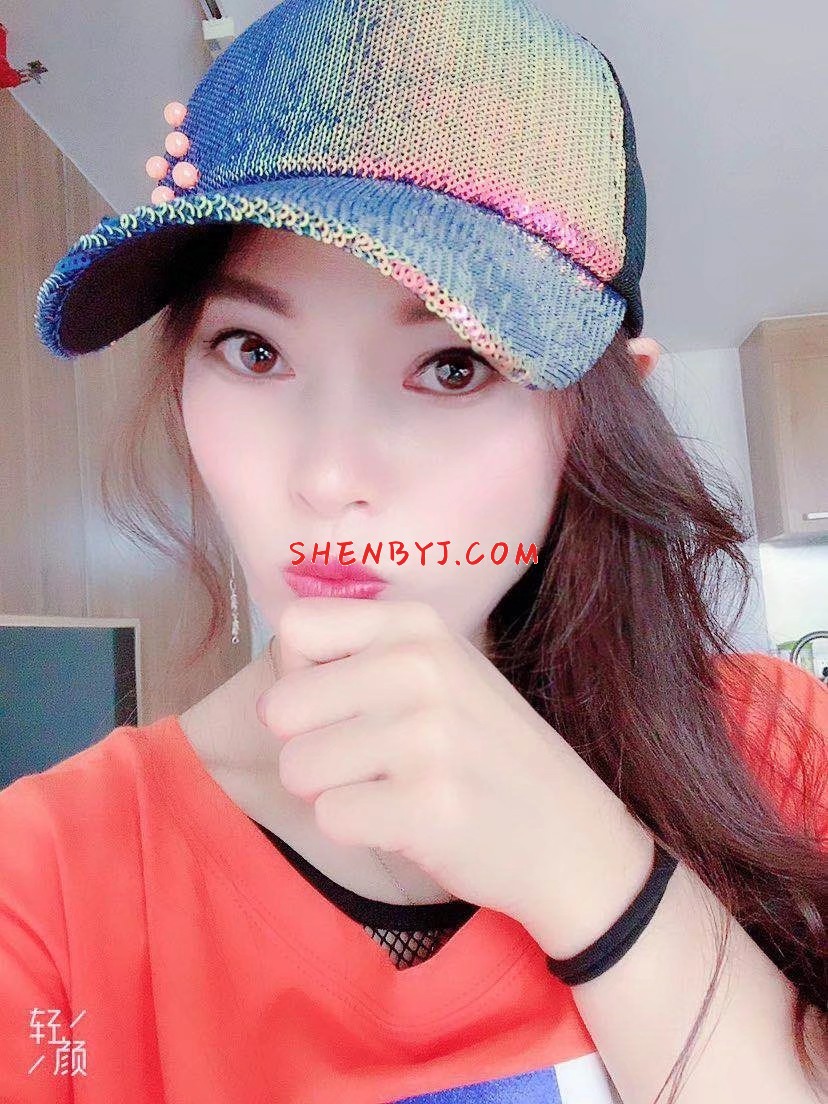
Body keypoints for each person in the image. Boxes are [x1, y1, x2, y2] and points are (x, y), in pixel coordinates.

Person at [4, 0, 826, 1101]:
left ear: (599, 415)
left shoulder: (779, 751)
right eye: (254, 350)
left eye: (453, 365)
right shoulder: (49, 881)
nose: (328, 475)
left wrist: (597, 876)